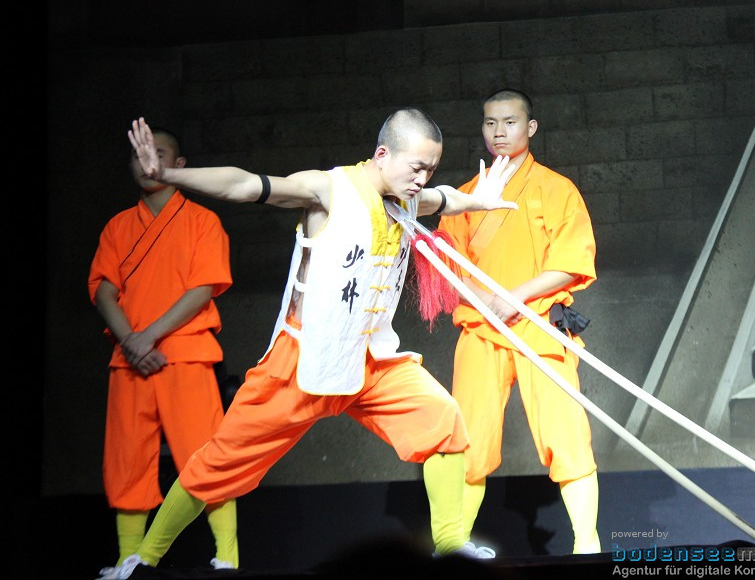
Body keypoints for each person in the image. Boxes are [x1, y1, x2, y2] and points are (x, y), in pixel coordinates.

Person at [100, 110, 518, 580]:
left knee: (443, 420)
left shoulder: (406, 199)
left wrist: (477, 201)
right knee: (217, 461)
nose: (423, 179)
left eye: (430, 170)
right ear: (383, 155)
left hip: (370, 361)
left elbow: (446, 200)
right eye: (416, 167)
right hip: (303, 361)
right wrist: (169, 174)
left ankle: (450, 544)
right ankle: (143, 561)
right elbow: (244, 185)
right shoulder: (329, 189)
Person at [438, 89, 601, 554]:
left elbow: (571, 262)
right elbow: (448, 268)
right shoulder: (463, 197)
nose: (499, 132)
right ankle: (454, 542)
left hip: (539, 324)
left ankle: (586, 542)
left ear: (530, 127)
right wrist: (489, 301)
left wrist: (514, 298)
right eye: (490, 123)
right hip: (481, 326)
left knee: (565, 432)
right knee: (468, 434)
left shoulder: (556, 189)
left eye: (510, 122)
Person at [89, 127, 238, 573]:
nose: (146, 161)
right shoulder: (117, 226)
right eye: (137, 155)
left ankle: (227, 555)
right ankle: (125, 561)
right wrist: (133, 344)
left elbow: (203, 288)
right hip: (130, 357)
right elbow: (103, 291)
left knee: (204, 453)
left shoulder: (202, 221)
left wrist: (146, 337)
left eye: (157, 153)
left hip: (185, 352)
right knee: (127, 459)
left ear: (179, 165)